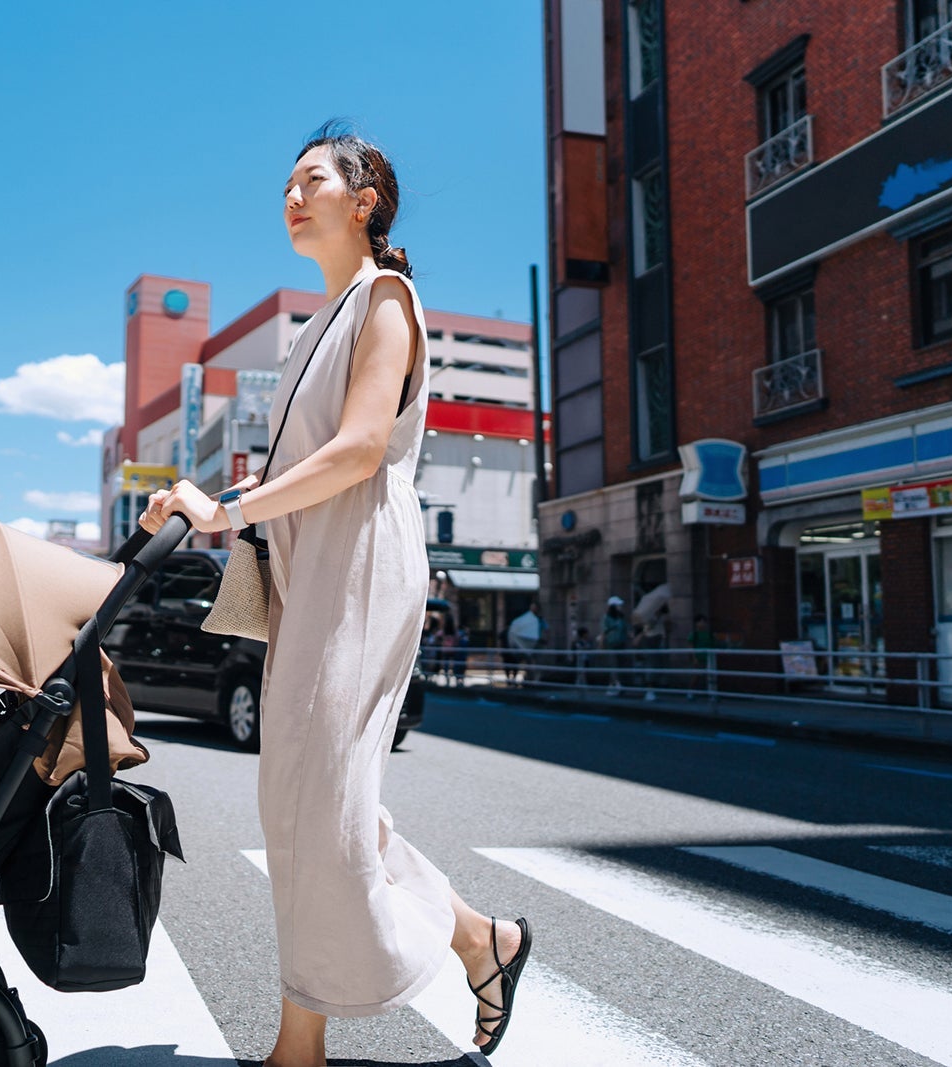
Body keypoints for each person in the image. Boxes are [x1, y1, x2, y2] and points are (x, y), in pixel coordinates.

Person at [139, 123, 530, 1064]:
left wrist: (228, 511)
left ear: (363, 202)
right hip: (313, 571)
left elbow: (357, 450)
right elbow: (303, 465)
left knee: (317, 800)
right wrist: (206, 503)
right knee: (307, 800)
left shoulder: (386, 297)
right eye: (286, 183)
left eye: (310, 180)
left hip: (360, 566)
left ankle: (303, 1045)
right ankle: (479, 940)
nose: (291, 196)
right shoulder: (318, 325)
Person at [506, 603, 545, 685]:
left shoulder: (538, 620)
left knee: (535, 662)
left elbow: (545, 630)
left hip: (536, 645)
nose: (533, 610)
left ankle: (535, 679)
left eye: (534, 608)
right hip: (528, 645)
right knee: (529, 662)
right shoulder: (529, 619)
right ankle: (530, 679)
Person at [600, 596, 630, 696]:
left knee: (621, 664)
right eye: (618, 605)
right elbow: (604, 631)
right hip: (611, 643)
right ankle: (616, 684)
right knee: (613, 664)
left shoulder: (621, 617)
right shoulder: (607, 617)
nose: (620, 607)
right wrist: (601, 644)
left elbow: (626, 629)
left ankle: (616, 684)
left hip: (621, 643)